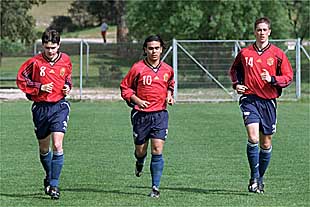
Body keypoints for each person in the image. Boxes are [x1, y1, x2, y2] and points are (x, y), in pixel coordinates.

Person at [229, 17, 293, 193]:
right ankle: (254, 177)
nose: (262, 33)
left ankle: (259, 177)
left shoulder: (278, 54)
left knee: (265, 143)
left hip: (268, 102)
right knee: (253, 138)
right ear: (254, 32)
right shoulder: (245, 53)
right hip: (249, 100)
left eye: (265, 30)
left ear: (269, 32)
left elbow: (288, 77)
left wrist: (272, 79)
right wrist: (237, 85)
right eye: (259, 30)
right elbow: (234, 70)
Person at [16, 29, 72, 199]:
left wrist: (68, 87)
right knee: (44, 148)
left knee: (57, 145)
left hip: (59, 106)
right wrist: (39, 87)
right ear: (43, 46)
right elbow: (21, 80)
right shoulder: (34, 63)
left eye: (53, 47)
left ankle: (54, 185)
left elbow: (68, 78)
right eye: (47, 47)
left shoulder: (66, 60)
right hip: (40, 108)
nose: (50, 51)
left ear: (59, 45)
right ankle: (49, 176)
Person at [120, 35, 175, 198]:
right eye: (150, 48)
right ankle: (139, 161)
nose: (154, 51)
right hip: (141, 116)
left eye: (157, 48)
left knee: (157, 150)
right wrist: (137, 100)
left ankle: (155, 187)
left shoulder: (168, 69)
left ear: (161, 49)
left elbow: (170, 84)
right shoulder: (137, 68)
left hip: (160, 114)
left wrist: (170, 95)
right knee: (140, 150)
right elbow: (125, 88)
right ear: (145, 50)